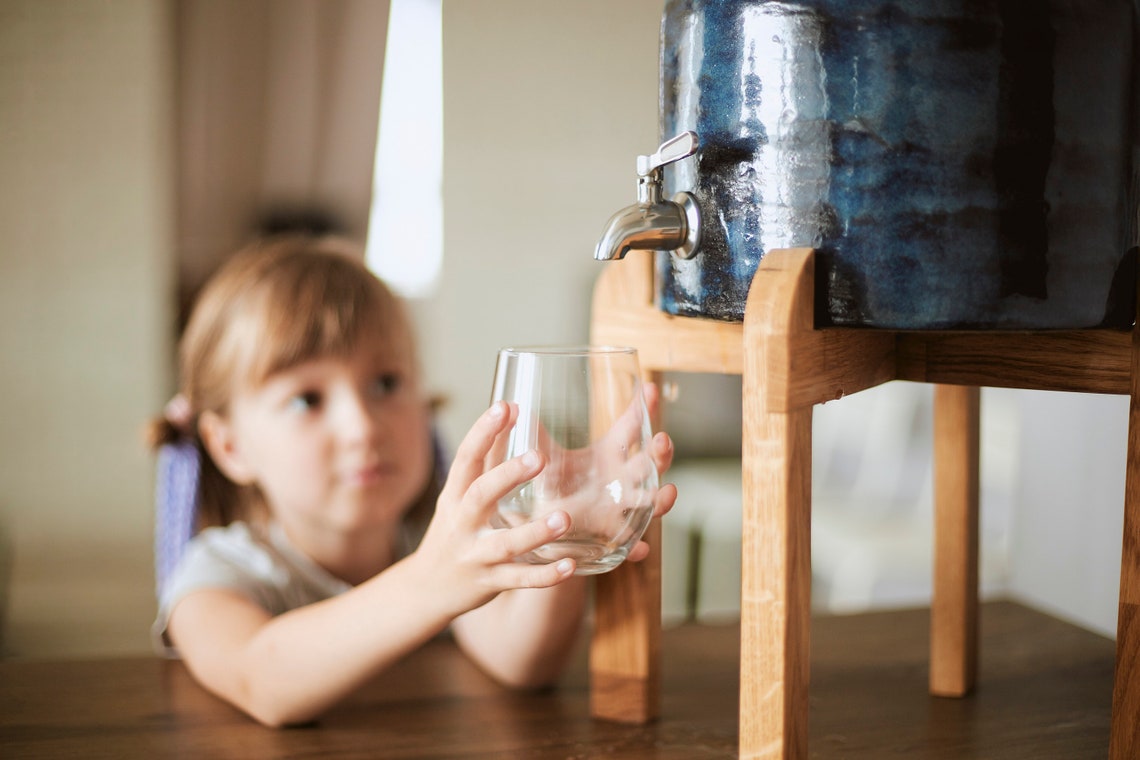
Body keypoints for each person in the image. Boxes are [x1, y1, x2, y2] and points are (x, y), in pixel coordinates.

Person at [147, 235, 677, 727]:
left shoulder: (433, 541)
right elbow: (259, 679)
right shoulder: (214, 573)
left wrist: (557, 533)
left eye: (385, 383)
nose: (362, 426)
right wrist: (430, 581)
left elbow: (523, 664)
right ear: (230, 446)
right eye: (307, 399)